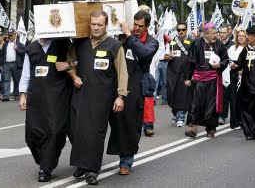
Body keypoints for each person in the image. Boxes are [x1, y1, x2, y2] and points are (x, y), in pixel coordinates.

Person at [69, 10, 128, 185]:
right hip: (80, 94)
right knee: (77, 130)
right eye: (93, 24)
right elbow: (70, 62)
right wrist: (73, 74)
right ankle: (82, 162)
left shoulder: (114, 46)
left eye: (99, 25)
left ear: (106, 25)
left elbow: (122, 73)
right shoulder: (80, 43)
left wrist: (121, 96)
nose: (95, 28)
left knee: (95, 133)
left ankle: (92, 169)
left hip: (102, 97)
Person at [107, 10, 158, 175]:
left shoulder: (152, 42)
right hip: (115, 86)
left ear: (147, 26)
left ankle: (126, 161)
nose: (136, 28)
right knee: (113, 123)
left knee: (130, 124)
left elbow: (143, 53)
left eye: (140, 26)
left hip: (135, 88)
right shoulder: (123, 39)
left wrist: (129, 35)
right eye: (134, 24)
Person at [19, 38, 72, 182]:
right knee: (32, 134)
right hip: (36, 98)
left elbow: (77, 63)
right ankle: (44, 161)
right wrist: (23, 94)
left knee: (55, 132)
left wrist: (68, 65)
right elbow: (26, 74)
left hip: (57, 97)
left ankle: (45, 168)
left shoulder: (64, 43)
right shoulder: (31, 48)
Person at [184, 22, 229, 138]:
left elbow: (226, 60)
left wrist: (219, 64)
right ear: (206, 34)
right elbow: (190, 62)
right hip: (199, 79)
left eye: (216, 33)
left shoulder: (220, 45)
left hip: (213, 79)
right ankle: (192, 127)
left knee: (211, 105)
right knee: (196, 104)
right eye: (213, 33)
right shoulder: (196, 43)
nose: (216, 35)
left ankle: (211, 128)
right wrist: (187, 78)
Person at [164, 22, 193, 127]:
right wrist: (169, 57)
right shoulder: (171, 42)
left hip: (185, 73)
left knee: (183, 95)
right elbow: (165, 57)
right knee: (172, 95)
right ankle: (175, 114)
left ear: (186, 30)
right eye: (179, 30)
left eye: (183, 29)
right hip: (172, 73)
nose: (181, 31)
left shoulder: (191, 42)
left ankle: (181, 116)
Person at [227, 29, 247, 129]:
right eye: (239, 35)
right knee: (234, 99)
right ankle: (235, 121)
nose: (241, 37)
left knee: (244, 99)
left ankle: (245, 121)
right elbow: (227, 60)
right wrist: (233, 66)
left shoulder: (249, 48)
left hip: (246, 77)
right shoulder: (232, 48)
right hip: (234, 76)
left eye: (243, 35)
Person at [0, 28, 26, 101]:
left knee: (16, 80)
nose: (10, 37)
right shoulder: (6, 44)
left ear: (15, 34)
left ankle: (16, 94)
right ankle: (6, 96)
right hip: (7, 64)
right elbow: (1, 54)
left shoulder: (19, 44)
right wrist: (1, 64)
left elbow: (24, 52)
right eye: (9, 35)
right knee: (6, 80)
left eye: (11, 35)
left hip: (16, 64)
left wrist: (17, 49)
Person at [218, 25, 235, 125]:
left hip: (230, 73)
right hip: (219, 72)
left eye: (224, 32)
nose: (222, 34)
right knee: (220, 95)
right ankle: (220, 115)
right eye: (220, 32)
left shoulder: (233, 45)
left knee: (229, 96)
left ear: (228, 32)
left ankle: (229, 117)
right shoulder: (216, 44)